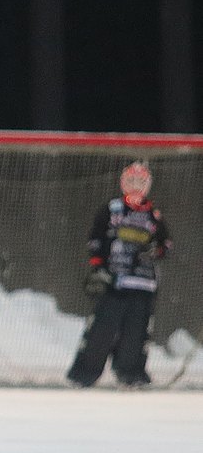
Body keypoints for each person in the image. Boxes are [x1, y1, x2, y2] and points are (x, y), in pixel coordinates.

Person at [66, 161, 171, 389]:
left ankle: (131, 375)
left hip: (143, 285)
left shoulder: (154, 215)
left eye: (140, 182)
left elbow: (165, 245)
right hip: (114, 282)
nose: (135, 186)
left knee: (135, 335)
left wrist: (154, 250)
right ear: (123, 183)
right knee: (101, 331)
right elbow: (96, 238)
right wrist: (99, 268)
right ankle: (84, 374)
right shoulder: (112, 209)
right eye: (131, 181)